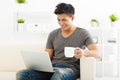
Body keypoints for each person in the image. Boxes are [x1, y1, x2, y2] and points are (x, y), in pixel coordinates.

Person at [16, 2, 101, 80]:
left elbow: (98, 53)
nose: (61, 23)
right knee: (23, 74)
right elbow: (48, 55)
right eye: (58, 20)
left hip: (70, 69)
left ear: (72, 17)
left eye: (64, 20)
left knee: (59, 75)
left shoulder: (83, 33)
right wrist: (37, 64)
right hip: (52, 68)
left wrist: (84, 52)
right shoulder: (53, 34)